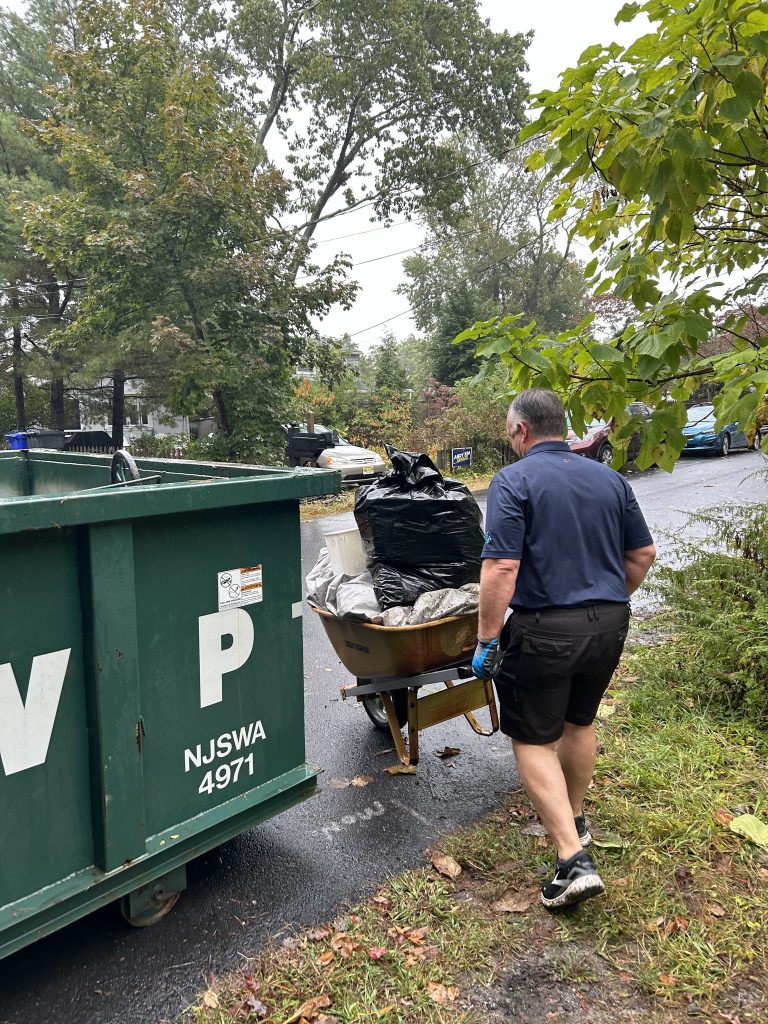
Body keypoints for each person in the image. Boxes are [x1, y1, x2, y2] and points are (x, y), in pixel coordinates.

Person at [472, 389, 655, 909]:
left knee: (532, 738)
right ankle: (574, 821)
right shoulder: (608, 477)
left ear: (522, 432)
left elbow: (502, 567)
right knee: (580, 723)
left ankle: (572, 860)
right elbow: (642, 554)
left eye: (510, 434)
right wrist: (604, 599)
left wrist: (487, 640)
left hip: (545, 629)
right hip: (610, 624)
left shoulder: (513, 480)